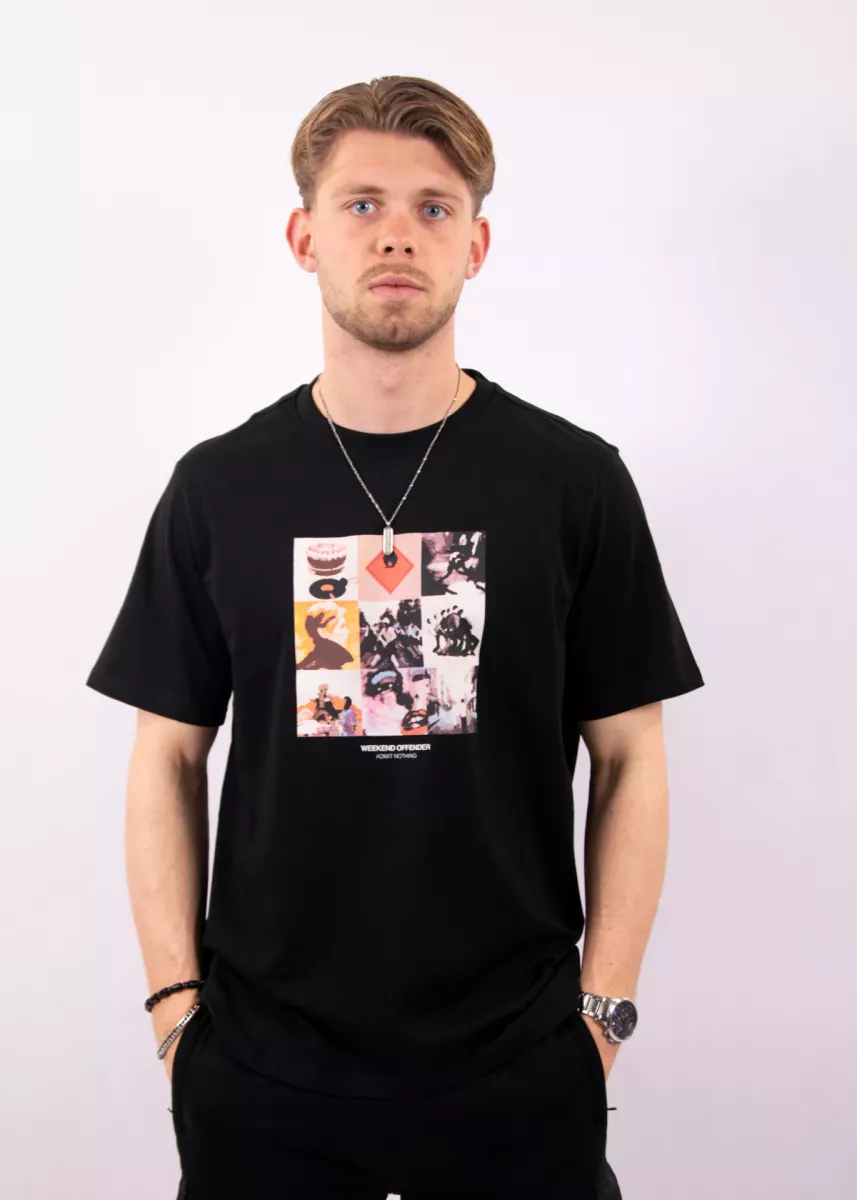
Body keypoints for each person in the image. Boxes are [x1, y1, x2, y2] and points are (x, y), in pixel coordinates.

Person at [86, 74, 704, 1200]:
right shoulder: (218, 488)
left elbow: (630, 755)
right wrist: (177, 1013)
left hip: (519, 1068)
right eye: (361, 203)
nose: (396, 235)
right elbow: (165, 755)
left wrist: (600, 1016)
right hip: (262, 1073)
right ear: (303, 236)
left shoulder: (572, 482)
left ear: (476, 244)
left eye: (432, 207)